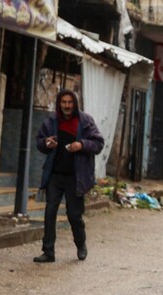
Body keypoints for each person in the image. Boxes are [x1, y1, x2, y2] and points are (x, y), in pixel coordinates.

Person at [34, 90, 104, 263]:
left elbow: (98, 143)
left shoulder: (85, 121)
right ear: (59, 103)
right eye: (63, 102)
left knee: (74, 215)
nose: (67, 106)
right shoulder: (51, 121)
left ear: (75, 103)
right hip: (55, 176)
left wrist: (81, 144)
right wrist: (47, 143)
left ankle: (81, 245)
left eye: (70, 102)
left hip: (76, 177)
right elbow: (40, 142)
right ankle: (48, 252)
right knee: (50, 212)